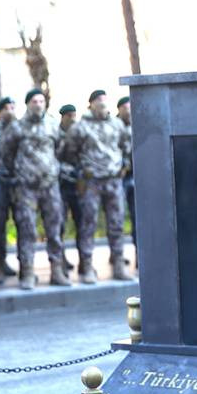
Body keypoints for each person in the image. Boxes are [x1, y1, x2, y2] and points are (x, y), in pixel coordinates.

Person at [61, 89, 132, 284]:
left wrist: (124, 165)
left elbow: (126, 146)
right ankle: (87, 267)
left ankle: (118, 264)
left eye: (104, 100)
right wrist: (81, 170)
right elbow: (69, 152)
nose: (102, 103)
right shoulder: (80, 127)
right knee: (88, 224)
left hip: (113, 181)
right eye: (98, 100)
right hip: (91, 182)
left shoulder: (117, 125)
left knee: (117, 224)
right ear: (90, 104)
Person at [3, 89, 70, 290]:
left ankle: (56, 271)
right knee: (27, 230)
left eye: (41, 101)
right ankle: (28, 272)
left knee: (55, 229)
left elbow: (61, 149)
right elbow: (7, 154)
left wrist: (51, 169)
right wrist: (20, 173)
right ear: (27, 104)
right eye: (34, 101)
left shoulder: (52, 124)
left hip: (50, 186)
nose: (38, 105)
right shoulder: (17, 127)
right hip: (26, 188)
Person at [0, 97, 19, 283]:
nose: (10, 111)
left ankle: (24, 264)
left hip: (19, 181)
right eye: (6, 107)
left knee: (22, 223)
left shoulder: (20, 128)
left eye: (13, 107)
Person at [58, 103, 81, 270]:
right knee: (59, 224)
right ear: (63, 117)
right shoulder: (55, 134)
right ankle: (61, 260)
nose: (72, 119)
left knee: (83, 223)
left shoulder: (80, 133)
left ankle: (84, 261)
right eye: (69, 116)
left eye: (74, 115)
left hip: (79, 185)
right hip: (60, 185)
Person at [116, 95, 136, 249]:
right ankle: (118, 254)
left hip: (136, 176)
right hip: (119, 177)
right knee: (117, 217)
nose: (128, 111)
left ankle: (139, 254)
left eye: (130, 107)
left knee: (138, 216)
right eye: (125, 108)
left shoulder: (137, 124)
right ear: (119, 109)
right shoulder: (113, 127)